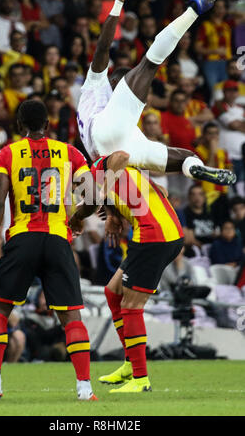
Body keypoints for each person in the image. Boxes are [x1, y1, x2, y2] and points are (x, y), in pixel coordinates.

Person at [0, 99, 98, 402]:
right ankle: (85, 389)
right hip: (58, 239)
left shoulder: (6, 154)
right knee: (71, 318)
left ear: (19, 125)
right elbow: (93, 198)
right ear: (48, 124)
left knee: (0, 309)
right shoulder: (71, 153)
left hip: (22, 238)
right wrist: (76, 219)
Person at [76, 0, 235, 190]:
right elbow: (103, 47)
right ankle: (195, 9)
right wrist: (118, 4)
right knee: (149, 64)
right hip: (107, 134)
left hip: (112, 150)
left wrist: (107, 203)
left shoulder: (96, 98)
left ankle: (195, 168)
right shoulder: (98, 83)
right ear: (116, 83)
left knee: (185, 158)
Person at [71, 150, 184, 392]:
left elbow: (120, 156)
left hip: (154, 237)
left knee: (131, 307)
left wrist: (95, 200)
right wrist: (114, 211)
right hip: (165, 232)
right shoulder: (117, 174)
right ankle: (130, 365)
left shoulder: (100, 167)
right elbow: (161, 193)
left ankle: (141, 379)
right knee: (113, 292)